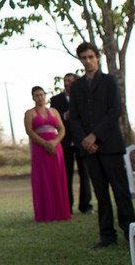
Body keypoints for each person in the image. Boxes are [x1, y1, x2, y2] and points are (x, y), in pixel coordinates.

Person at [69, 42, 135, 249]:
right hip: (89, 149)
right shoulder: (76, 86)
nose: (87, 61)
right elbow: (74, 118)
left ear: (97, 57)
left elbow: (114, 110)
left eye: (91, 57)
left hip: (110, 145)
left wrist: (95, 136)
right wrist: (85, 140)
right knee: (100, 193)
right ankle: (107, 235)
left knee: (120, 191)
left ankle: (132, 232)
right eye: (84, 58)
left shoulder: (109, 81)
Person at [26, 86, 70, 222]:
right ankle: (46, 212)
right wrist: (45, 144)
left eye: (41, 95)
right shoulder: (30, 113)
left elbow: (62, 129)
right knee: (43, 178)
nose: (40, 98)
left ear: (45, 96)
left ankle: (61, 211)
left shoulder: (54, 111)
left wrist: (55, 142)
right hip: (40, 148)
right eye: (36, 95)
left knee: (57, 176)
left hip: (55, 147)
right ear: (33, 98)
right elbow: (29, 131)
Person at [50, 74, 91, 214]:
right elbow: (53, 120)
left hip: (81, 140)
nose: (67, 83)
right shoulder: (55, 100)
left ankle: (86, 206)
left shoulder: (82, 97)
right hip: (65, 141)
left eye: (70, 81)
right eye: (65, 81)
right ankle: (67, 206)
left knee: (85, 174)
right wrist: (64, 116)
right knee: (66, 175)